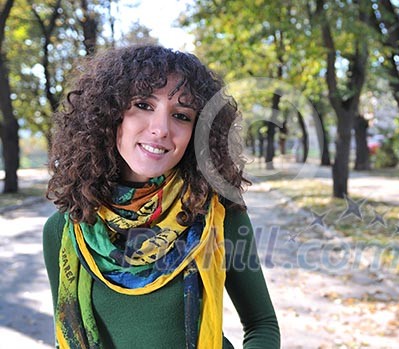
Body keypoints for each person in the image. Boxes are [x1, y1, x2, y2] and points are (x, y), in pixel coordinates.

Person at [43, 45, 280, 349]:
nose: (160, 129)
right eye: (143, 105)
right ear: (111, 114)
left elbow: (262, 325)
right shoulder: (63, 230)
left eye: (181, 115)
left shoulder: (219, 215)